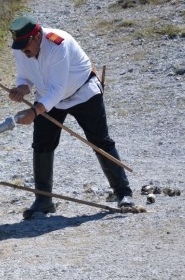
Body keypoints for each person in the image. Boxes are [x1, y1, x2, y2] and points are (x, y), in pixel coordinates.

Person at [7, 16, 134, 219]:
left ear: (37, 36)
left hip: (82, 92)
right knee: (42, 144)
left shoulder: (59, 44)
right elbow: (25, 77)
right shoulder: (20, 48)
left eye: (26, 45)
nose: (23, 51)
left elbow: (58, 89)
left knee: (100, 141)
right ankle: (43, 200)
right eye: (19, 46)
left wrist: (33, 112)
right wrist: (22, 88)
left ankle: (123, 194)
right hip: (48, 97)